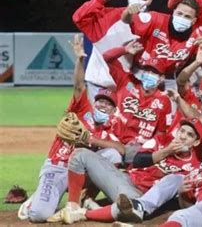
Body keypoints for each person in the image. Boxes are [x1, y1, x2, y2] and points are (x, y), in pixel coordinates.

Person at [17, 35, 124, 222]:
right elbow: (78, 86)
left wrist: (91, 140)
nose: (102, 105)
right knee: (38, 215)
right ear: (94, 102)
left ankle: (86, 198)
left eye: (108, 104)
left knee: (114, 155)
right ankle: (36, 199)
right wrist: (80, 59)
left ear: (114, 110)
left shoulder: (109, 130)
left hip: (80, 173)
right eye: (100, 101)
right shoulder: (83, 110)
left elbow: (121, 149)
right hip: (57, 167)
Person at [52, 118, 202, 224]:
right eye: (182, 131)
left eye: (189, 135)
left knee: (172, 180)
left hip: (140, 196)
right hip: (124, 181)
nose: (183, 136)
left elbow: (175, 196)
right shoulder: (161, 141)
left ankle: (85, 213)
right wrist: (167, 151)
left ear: (196, 142)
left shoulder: (195, 165)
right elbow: (137, 161)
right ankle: (72, 206)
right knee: (81, 154)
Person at [73, 0, 153, 90]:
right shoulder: (110, 16)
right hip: (99, 85)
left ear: (149, 1)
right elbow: (78, 18)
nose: (137, 0)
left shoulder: (153, 24)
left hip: (126, 89)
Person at [121, 0, 202, 90]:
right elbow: (126, 20)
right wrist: (128, 12)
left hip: (168, 79)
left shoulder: (198, 36)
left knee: (172, 102)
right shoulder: (155, 18)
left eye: (187, 16)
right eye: (179, 13)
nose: (182, 18)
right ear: (173, 12)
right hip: (141, 71)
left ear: (194, 21)